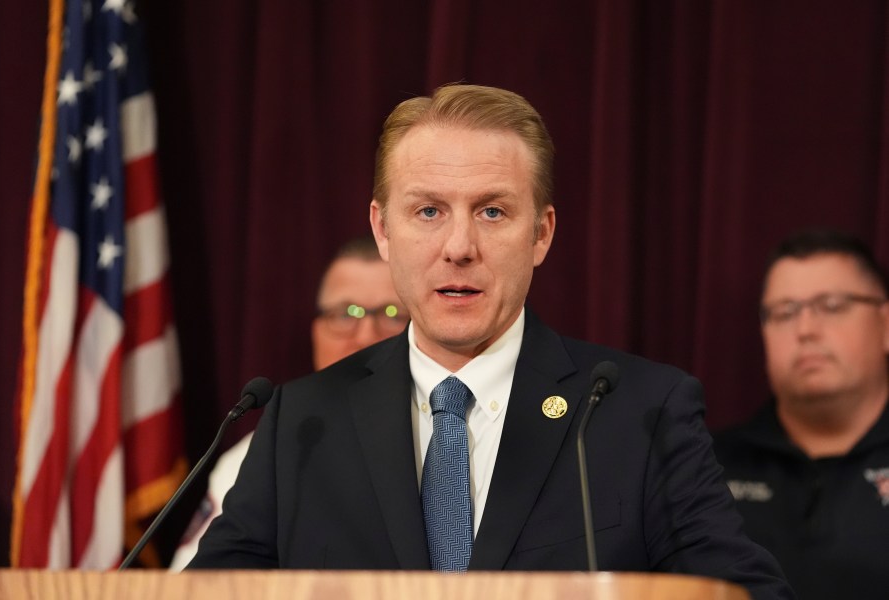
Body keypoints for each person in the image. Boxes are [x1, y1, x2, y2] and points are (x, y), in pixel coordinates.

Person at [189, 83, 793, 599]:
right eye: (427, 211)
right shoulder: (303, 421)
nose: (458, 247)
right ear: (382, 230)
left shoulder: (640, 412)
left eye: (492, 212)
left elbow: (743, 593)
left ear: (541, 233)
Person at [169, 235, 408, 570]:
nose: (365, 334)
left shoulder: (446, 433)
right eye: (345, 314)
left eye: (392, 314)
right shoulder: (266, 454)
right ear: (315, 331)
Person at [713, 229, 889, 600]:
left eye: (832, 306)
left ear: (885, 323)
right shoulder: (703, 467)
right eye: (785, 312)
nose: (806, 329)